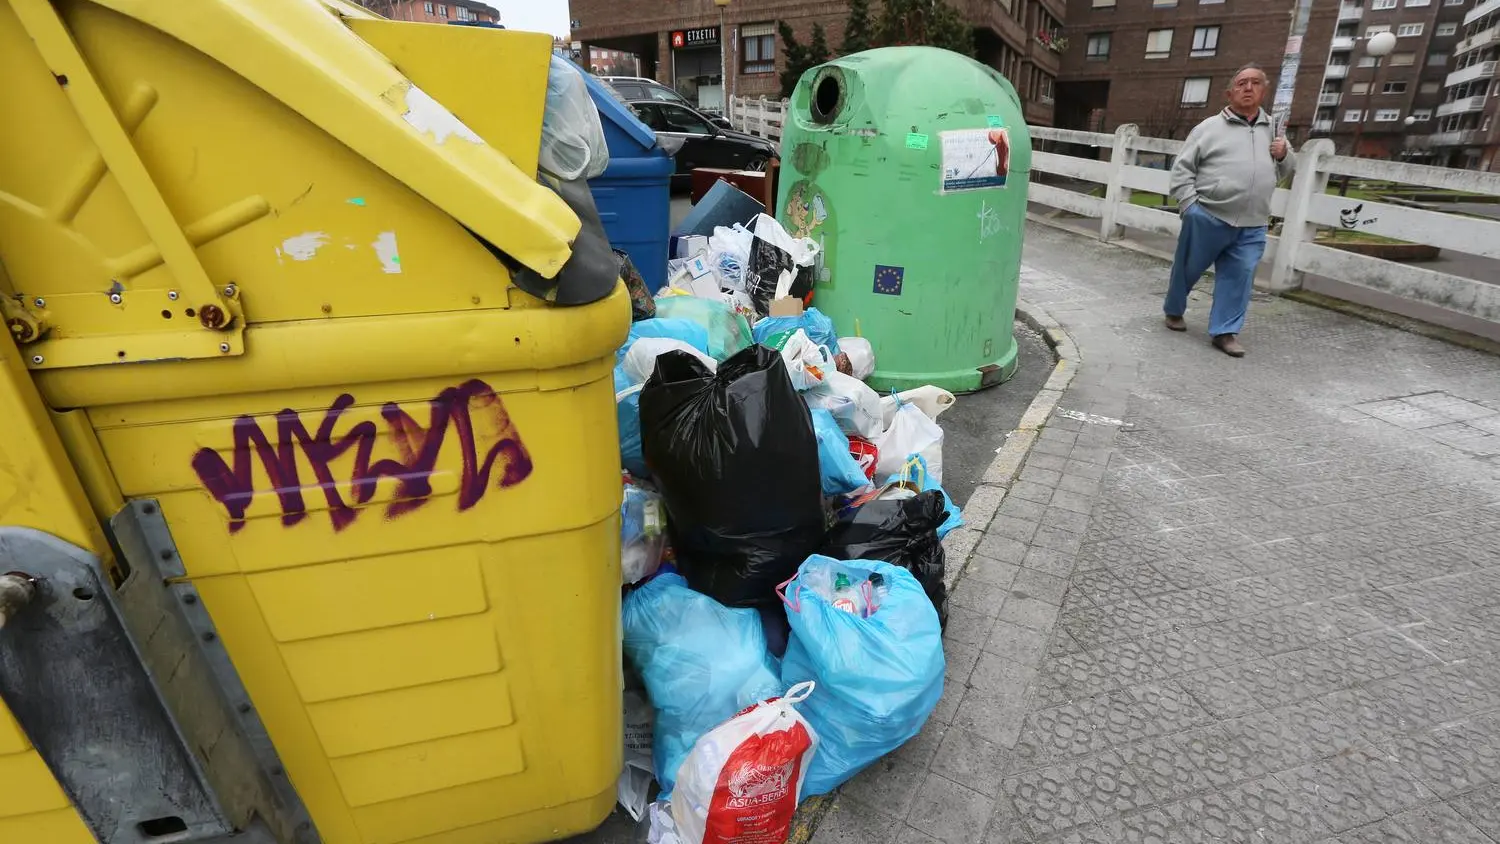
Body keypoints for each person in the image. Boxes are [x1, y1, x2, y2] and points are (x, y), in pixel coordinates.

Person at [1164, 64, 1294, 358]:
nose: (1248, 88)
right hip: (1208, 214)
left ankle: (1225, 332)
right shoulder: (1208, 128)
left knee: (1240, 276)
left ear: (1264, 90)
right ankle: (1174, 310)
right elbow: (1182, 169)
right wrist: (1190, 207)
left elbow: (1286, 172)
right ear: (1229, 92)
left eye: (1255, 83)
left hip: (1253, 222)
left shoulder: (1275, 129)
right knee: (1187, 268)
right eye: (1241, 83)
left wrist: (1284, 154)